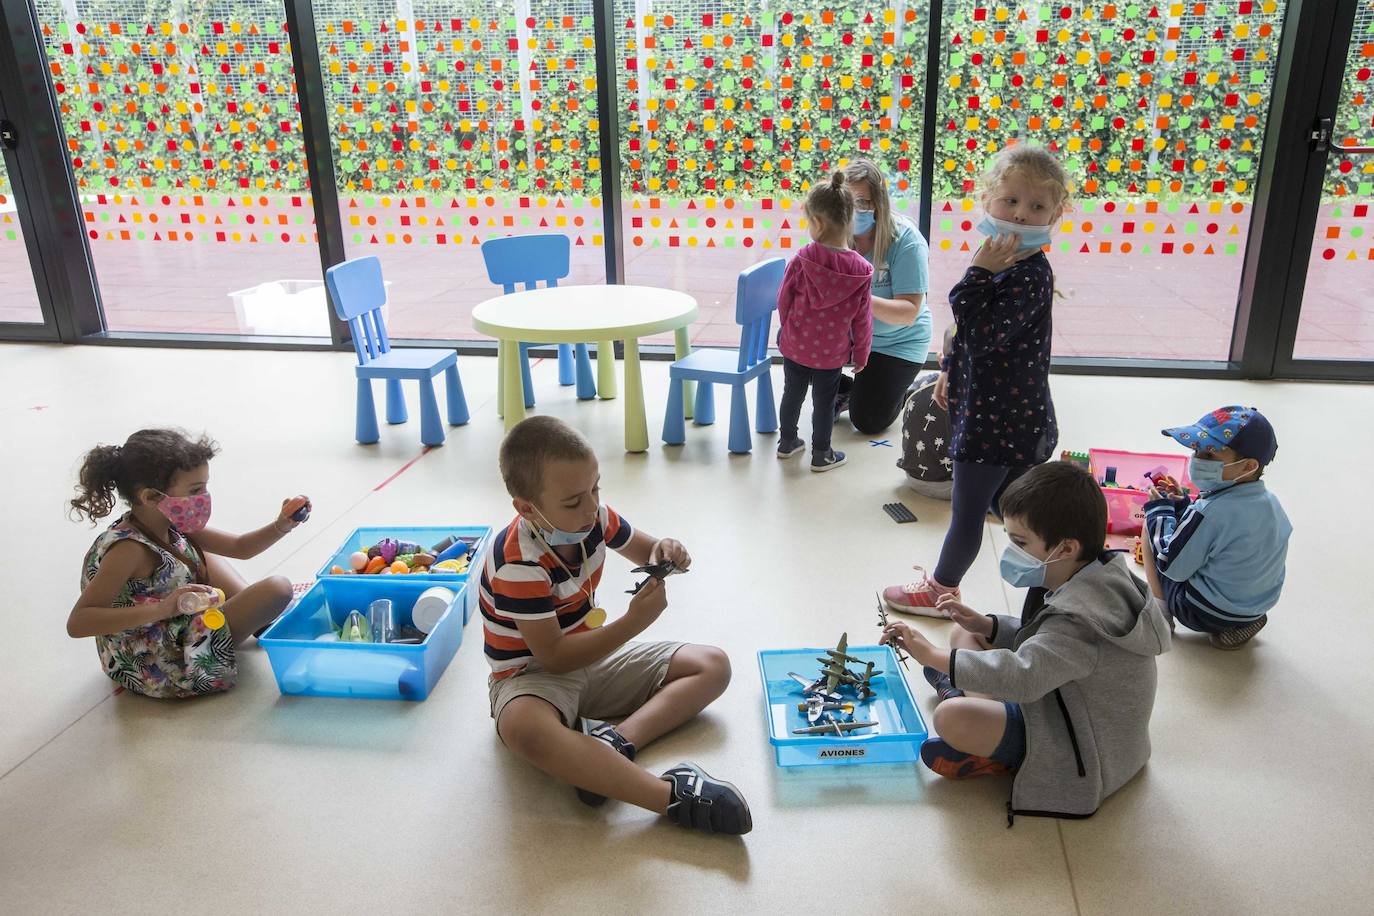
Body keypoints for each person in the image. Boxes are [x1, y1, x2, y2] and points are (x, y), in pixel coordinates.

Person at [480, 416, 751, 835]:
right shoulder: (517, 563)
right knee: (523, 729)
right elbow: (552, 658)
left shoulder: (594, 518)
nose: (591, 507)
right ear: (526, 508)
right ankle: (670, 797)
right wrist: (634, 622)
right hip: (532, 679)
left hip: (594, 657)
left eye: (596, 488)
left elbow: (646, 548)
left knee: (713, 664)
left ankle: (617, 743)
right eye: (573, 501)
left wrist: (667, 551)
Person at [881, 462, 1171, 822]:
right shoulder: (1097, 574)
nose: (1011, 552)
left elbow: (1023, 676)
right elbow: (1043, 640)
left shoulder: (1081, 621)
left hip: (1080, 745)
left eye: (1020, 543)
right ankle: (960, 687)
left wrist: (931, 654)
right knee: (965, 634)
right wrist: (986, 626)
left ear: (1065, 548)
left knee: (951, 717)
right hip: (1064, 702)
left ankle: (968, 714)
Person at [883, 145, 1068, 615]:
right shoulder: (1008, 265)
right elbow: (964, 334)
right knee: (1013, 512)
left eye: (1037, 207)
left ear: (1055, 214)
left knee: (970, 514)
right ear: (986, 199)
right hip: (1000, 412)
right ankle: (1056, 590)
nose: (1021, 215)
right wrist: (950, 371)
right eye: (1010, 201)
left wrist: (975, 272)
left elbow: (980, 329)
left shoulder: (1025, 274)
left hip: (999, 422)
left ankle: (941, 590)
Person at [69, 429, 306, 698]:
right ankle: (254, 615)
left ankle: (257, 617)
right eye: (195, 490)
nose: (204, 497)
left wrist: (281, 525)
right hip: (161, 658)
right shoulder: (129, 550)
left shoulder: (166, 523)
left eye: (204, 486)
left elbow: (240, 547)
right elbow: (78, 622)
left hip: (175, 617)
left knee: (199, 551)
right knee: (278, 589)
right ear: (150, 497)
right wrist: (161, 609)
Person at [1143, 406, 1290, 650]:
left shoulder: (1208, 512)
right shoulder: (1272, 503)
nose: (1197, 460)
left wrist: (1159, 510)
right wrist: (1182, 505)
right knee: (1189, 532)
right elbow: (1223, 534)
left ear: (1247, 466)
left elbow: (1171, 566)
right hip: (1257, 606)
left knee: (1152, 524)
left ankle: (1160, 618)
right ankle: (1241, 623)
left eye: (1210, 455)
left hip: (1201, 611)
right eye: (1196, 450)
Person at [775, 170, 874, 471]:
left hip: (796, 347)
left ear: (817, 222)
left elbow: (784, 299)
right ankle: (822, 454)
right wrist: (861, 354)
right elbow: (863, 319)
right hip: (831, 355)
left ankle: (787, 442)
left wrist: (786, 330)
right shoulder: (860, 270)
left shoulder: (803, 258)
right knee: (824, 403)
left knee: (791, 394)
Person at [835, 159, 933, 434]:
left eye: (863, 202)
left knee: (868, 422)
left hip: (897, 342)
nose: (855, 210)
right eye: (847, 201)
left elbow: (909, 311)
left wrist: (859, 298)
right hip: (855, 337)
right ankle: (847, 388)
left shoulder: (906, 240)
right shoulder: (834, 234)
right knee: (794, 340)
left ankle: (911, 388)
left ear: (879, 203)